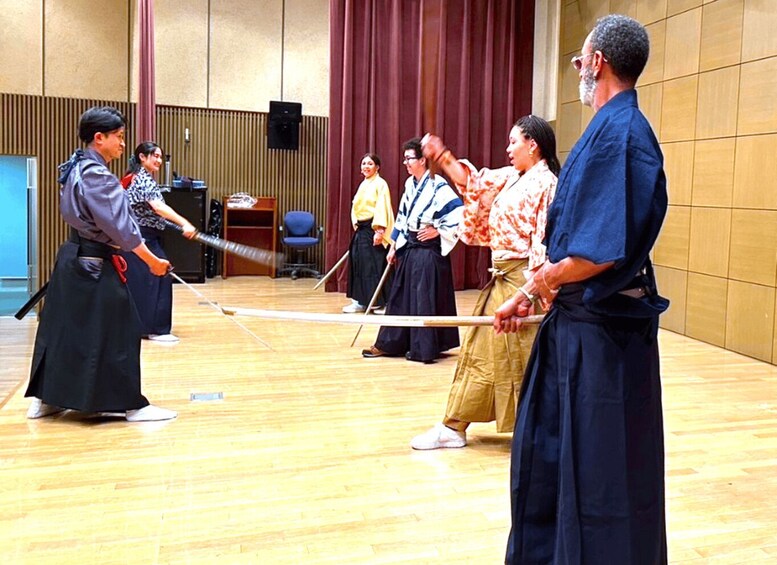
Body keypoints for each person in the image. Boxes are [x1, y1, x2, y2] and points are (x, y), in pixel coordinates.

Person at [494, 15, 669, 564]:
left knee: (601, 482)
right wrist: (532, 292)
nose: (577, 70)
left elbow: (600, 252)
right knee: (552, 467)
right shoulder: (607, 129)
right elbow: (579, 241)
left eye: (578, 60)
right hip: (576, 329)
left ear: (597, 62)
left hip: (602, 346)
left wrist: (543, 281)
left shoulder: (623, 135)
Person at [410, 115, 559, 450]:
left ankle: (537, 433)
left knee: (526, 359)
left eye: (514, 142)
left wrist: (532, 294)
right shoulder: (512, 177)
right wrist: (442, 156)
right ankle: (454, 425)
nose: (508, 149)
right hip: (502, 279)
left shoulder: (547, 184)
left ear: (532, 145)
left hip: (525, 283)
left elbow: (544, 242)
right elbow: (474, 183)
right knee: (480, 351)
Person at [25, 106, 178, 423]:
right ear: (99, 138)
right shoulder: (98, 176)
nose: (123, 143)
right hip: (93, 263)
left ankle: (47, 399)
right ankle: (132, 405)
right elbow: (122, 230)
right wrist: (152, 261)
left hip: (73, 258)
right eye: (119, 136)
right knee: (121, 330)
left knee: (63, 329)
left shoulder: (75, 165)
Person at [362, 137, 463, 363]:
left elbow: (458, 213)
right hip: (410, 247)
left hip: (428, 251)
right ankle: (391, 343)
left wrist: (438, 230)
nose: (405, 163)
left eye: (409, 159)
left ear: (423, 160)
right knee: (400, 296)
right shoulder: (410, 184)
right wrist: (394, 245)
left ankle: (423, 348)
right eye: (405, 159)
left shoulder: (438, 184)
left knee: (423, 298)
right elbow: (402, 217)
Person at [121, 142, 197, 343]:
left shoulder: (133, 177)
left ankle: (141, 328)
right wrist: (185, 223)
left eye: (160, 156)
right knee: (160, 275)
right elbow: (158, 207)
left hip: (137, 236)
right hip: (141, 236)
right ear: (142, 157)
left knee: (144, 282)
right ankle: (157, 330)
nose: (159, 160)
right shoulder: (142, 178)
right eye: (154, 155)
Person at [343, 153, 394, 314]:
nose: (366, 166)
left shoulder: (381, 184)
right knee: (359, 265)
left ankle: (380, 302)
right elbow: (355, 207)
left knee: (374, 266)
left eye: (370, 164)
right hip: (362, 229)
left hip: (373, 229)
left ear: (377, 167)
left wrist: (380, 230)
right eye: (364, 163)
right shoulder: (364, 184)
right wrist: (356, 224)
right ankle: (360, 301)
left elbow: (382, 206)